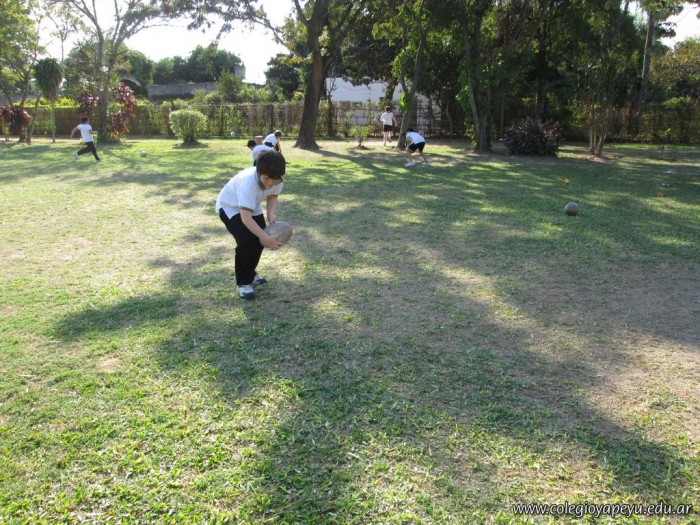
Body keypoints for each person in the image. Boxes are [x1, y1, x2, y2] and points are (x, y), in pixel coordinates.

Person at [216, 150, 286, 299]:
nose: (270, 183)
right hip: (229, 207)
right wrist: (265, 237)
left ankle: (251, 273)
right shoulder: (248, 182)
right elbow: (246, 218)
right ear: (259, 171)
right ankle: (242, 282)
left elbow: (272, 197)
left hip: (251, 206)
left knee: (258, 242)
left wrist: (271, 214)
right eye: (267, 178)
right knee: (247, 241)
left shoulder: (278, 179)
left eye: (274, 180)